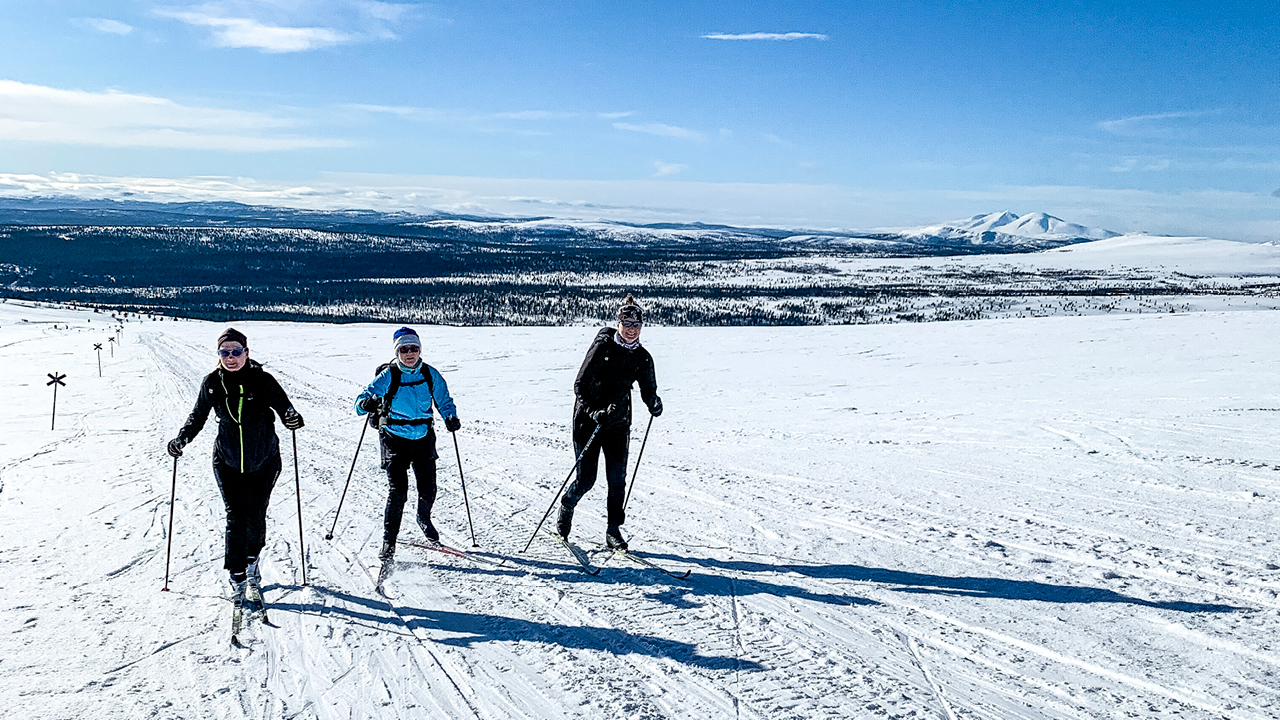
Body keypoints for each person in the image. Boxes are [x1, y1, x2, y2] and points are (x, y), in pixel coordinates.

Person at [167, 328, 304, 609]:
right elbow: (198, 416)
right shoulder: (212, 383)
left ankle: (252, 561)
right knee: (236, 516)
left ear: (246, 353)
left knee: (256, 514)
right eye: (225, 352)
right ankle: (237, 575)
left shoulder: (263, 380)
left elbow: (287, 410)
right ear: (219, 355)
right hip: (227, 460)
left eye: (236, 351)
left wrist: (293, 419)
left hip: (264, 460)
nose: (231, 358)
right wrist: (182, 438)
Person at [558, 294, 662, 550]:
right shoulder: (603, 348)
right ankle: (567, 504)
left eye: (636, 325)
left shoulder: (643, 358)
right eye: (627, 324)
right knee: (586, 479)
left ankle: (613, 530)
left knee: (617, 480)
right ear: (618, 324)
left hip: (618, 423)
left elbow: (648, 389)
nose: (631, 329)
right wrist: (595, 411)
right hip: (588, 422)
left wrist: (654, 402)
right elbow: (580, 385)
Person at [355, 327, 461, 564]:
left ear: (420, 350)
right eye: (404, 349)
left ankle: (423, 518)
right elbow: (359, 403)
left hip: (423, 437)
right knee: (398, 492)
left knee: (428, 487)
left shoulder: (430, 374)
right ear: (397, 352)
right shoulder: (389, 375)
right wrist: (367, 404)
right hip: (394, 439)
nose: (410, 353)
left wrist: (450, 416)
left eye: (414, 348)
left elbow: (444, 400)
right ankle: (389, 542)